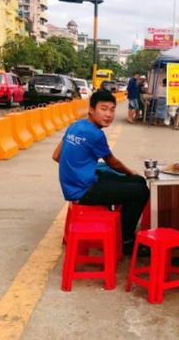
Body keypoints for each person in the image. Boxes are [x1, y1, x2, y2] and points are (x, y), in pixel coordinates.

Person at [53, 89, 150, 255]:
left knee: (137, 182)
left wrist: (77, 166)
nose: (109, 114)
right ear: (91, 109)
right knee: (141, 189)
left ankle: (120, 228)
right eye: (103, 109)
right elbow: (114, 163)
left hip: (74, 185)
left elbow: (56, 156)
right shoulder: (95, 134)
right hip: (84, 191)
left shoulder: (75, 125)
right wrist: (131, 172)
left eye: (112, 109)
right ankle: (125, 240)